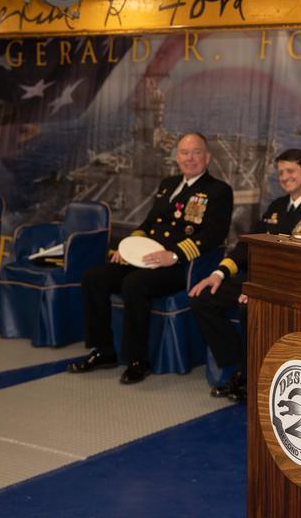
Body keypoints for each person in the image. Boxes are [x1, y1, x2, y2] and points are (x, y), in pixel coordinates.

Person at [68, 133, 233, 385]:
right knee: (94, 278)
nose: (190, 158)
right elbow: (148, 223)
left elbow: (214, 236)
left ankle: (137, 359)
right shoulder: (167, 184)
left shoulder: (218, 191)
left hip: (181, 266)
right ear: (177, 157)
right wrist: (127, 247)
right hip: (145, 257)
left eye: (196, 152)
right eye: (185, 153)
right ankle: (103, 351)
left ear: (207, 157)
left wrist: (175, 255)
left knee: (134, 284)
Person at [188, 148, 301, 402]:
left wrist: (261, 288)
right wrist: (219, 273)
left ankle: (249, 379)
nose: (284, 177)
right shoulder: (276, 207)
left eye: (290, 171)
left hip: (294, 286)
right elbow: (247, 246)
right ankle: (238, 364)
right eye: (281, 172)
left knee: (252, 307)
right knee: (203, 297)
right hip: (259, 282)